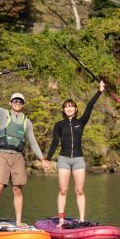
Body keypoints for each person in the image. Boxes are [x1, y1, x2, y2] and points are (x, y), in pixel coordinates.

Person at [0, 76, 50, 229]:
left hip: (18, 158)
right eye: (15, 101)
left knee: (17, 190)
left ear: (23, 104)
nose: (17, 103)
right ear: (10, 103)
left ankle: (18, 222)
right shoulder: (2, 113)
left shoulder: (27, 122)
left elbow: (33, 142)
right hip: (3, 156)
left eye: (20, 102)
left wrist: (42, 159)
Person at [46, 80, 105, 226]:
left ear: (76, 109)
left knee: (79, 190)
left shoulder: (81, 122)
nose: (69, 109)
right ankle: (60, 220)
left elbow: (90, 105)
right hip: (64, 159)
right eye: (66, 107)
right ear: (63, 110)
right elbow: (54, 142)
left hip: (78, 159)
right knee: (63, 190)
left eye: (71, 106)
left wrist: (100, 90)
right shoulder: (59, 125)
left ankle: (82, 219)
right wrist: (47, 158)